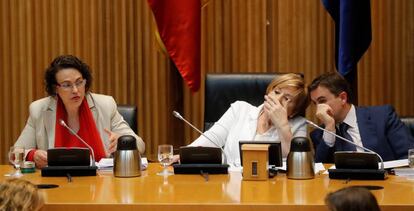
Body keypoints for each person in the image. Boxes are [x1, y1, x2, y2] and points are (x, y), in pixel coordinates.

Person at [14, 55, 145, 168]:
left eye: (79, 82)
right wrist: (32, 155)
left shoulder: (105, 105)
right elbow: (15, 153)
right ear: (55, 88)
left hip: (101, 185)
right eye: (67, 85)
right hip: (56, 186)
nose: (75, 90)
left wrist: (124, 142)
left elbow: (140, 145)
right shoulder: (39, 110)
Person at [175, 73, 309, 166]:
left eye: (287, 99)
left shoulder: (298, 125)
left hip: (272, 190)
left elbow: (295, 163)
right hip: (230, 187)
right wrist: (185, 154)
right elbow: (212, 138)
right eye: (277, 92)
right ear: (269, 92)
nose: (277, 100)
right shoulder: (239, 109)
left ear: (294, 111)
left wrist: (282, 125)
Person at [308, 72, 414, 163]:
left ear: (343, 98)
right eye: (315, 103)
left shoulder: (383, 116)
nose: (319, 108)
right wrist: (329, 129)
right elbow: (320, 172)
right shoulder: (320, 134)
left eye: (322, 101)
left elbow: (409, 156)